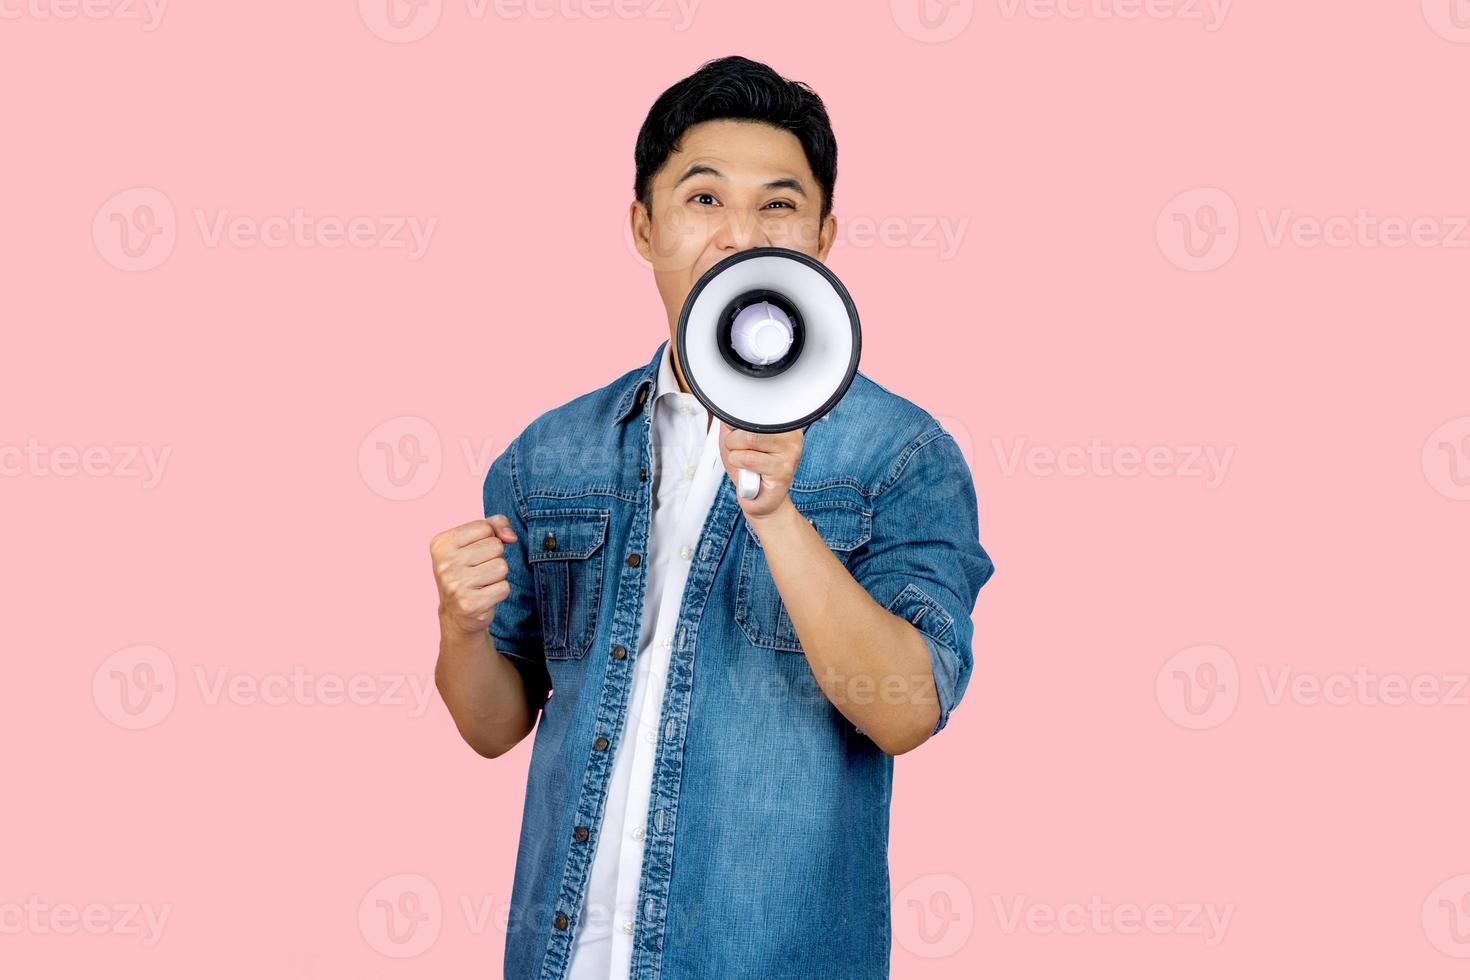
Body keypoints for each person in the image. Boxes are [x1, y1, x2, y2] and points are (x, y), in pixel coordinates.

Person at [429, 54, 996, 980]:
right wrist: (460, 629)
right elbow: (495, 726)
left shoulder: (902, 454)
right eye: (703, 200)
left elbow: (909, 710)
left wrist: (777, 514)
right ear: (645, 228)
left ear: (822, 236)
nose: (740, 235)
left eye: (778, 205)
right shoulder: (548, 454)